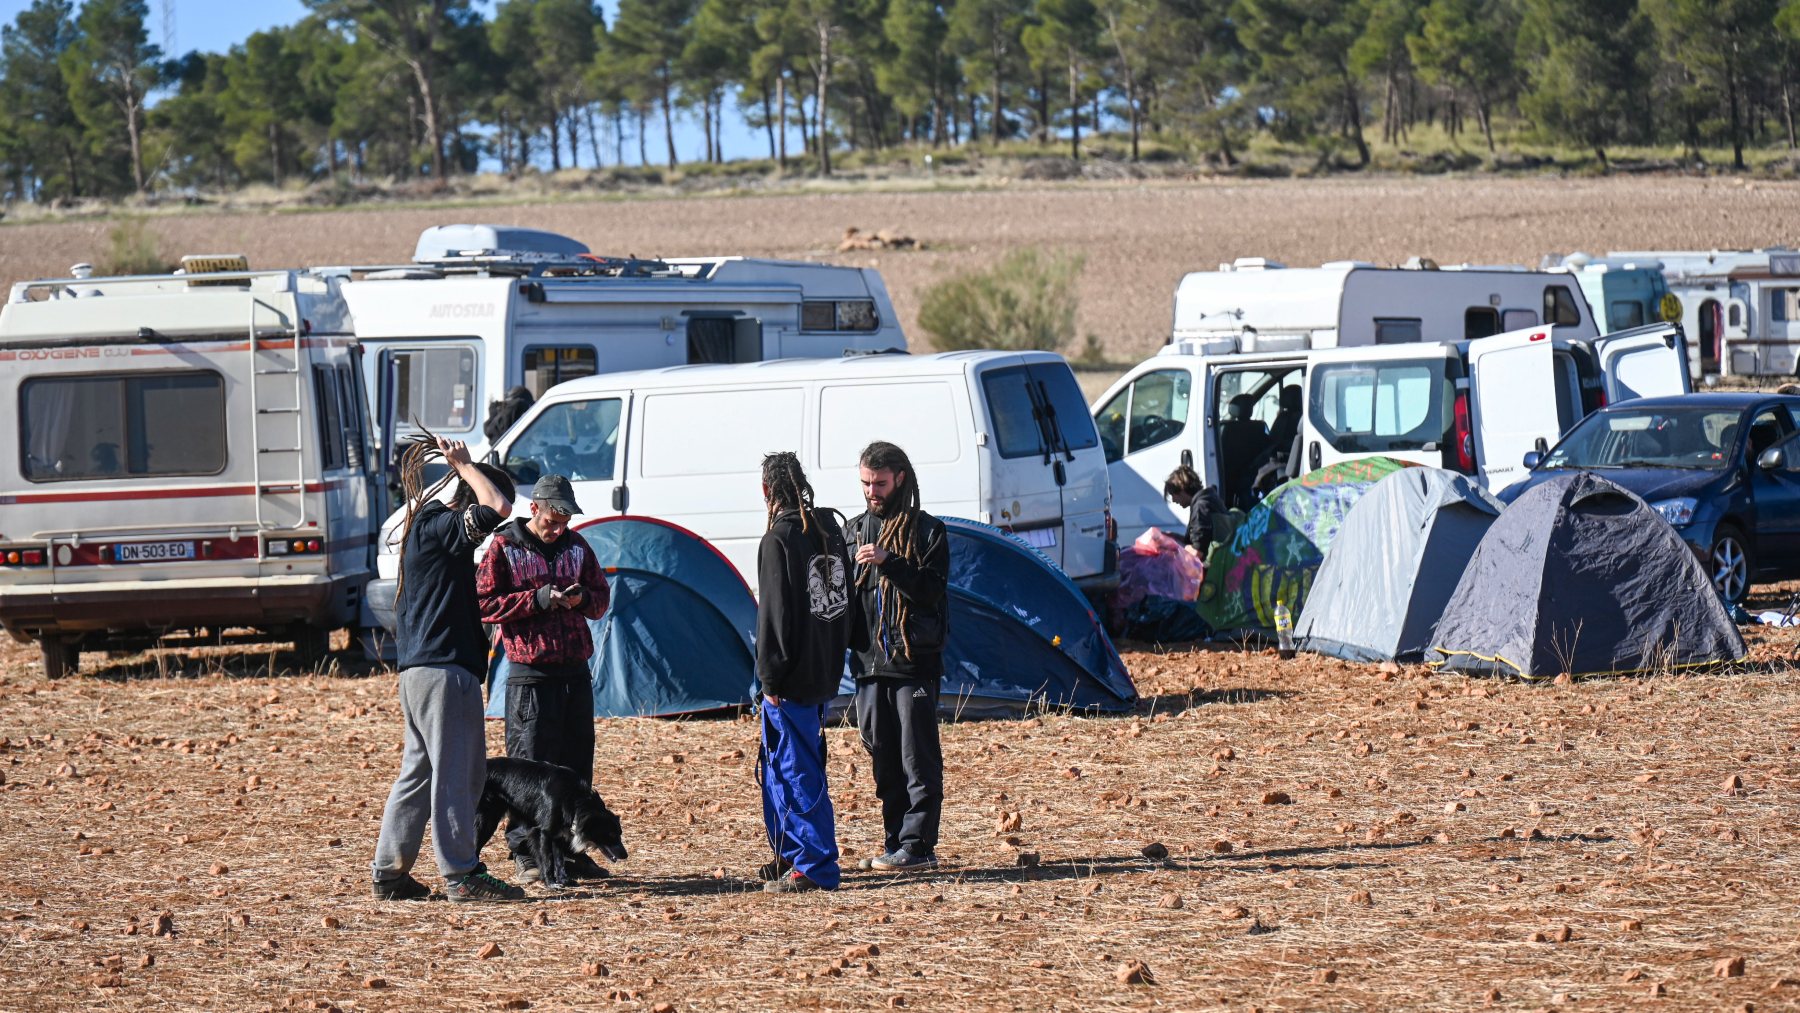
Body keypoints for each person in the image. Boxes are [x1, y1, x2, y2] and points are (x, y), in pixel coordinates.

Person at [371, 436, 524, 903]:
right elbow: (494, 505)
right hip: (442, 673)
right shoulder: (441, 525)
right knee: (459, 773)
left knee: (417, 774)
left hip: (419, 671)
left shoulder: (425, 529)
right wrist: (465, 466)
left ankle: (389, 873)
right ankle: (461, 873)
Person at [476, 474, 612, 883]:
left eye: (565, 521)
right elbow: (483, 603)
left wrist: (581, 598)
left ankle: (572, 852)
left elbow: (600, 598)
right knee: (528, 771)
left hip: (574, 672)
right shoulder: (504, 546)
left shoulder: (577, 546)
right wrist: (536, 599)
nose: (558, 528)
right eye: (553, 519)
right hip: (529, 676)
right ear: (534, 508)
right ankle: (526, 852)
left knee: (575, 770)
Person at [755, 452, 858, 894]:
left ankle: (814, 863)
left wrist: (771, 679)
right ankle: (791, 851)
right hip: (823, 666)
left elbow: (775, 617)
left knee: (796, 769)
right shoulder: (828, 530)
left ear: (766, 492)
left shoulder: (779, 539)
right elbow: (845, 601)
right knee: (785, 765)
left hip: (792, 675)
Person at [848, 441, 950, 873]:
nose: (873, 491)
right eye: (867, 483)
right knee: (884, 758)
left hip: (913, 665)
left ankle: (919, 845)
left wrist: (892, 563)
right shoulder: (852, 531)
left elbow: (931, 592)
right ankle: (896, 843)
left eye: (881, 483)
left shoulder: (928, 532)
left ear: (900, 479)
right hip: (870, 667)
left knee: (917, 760)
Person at [1164, 464, 1227, 555]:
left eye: (1173, 495)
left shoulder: (1201, 507)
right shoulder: (1209, 499)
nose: (1173, 500)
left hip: (1211, 565)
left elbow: (1197, 552)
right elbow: (1200, 539)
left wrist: (1175, 545)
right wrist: (1174, 537)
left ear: (1182, 491)